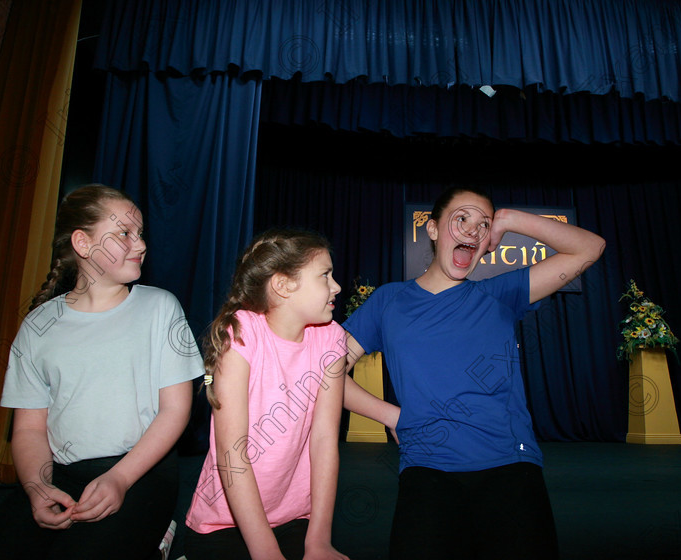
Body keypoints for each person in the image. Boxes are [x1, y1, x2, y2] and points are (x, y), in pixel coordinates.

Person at [341, 186, 605, 559]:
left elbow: (589, 248)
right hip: (426, 470)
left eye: (483, 225)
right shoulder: (389, 300)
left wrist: (509, 220)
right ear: (432, 230)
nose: (472, 230)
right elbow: (326, 372)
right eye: (461, 218)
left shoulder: (501, 293)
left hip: (510, 470)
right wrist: (392, 415)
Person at [0, 185, 203, 559]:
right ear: (83, 243)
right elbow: (30, 429)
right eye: (125, 234)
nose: (141, 244)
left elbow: (175, 411)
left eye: (141, 233)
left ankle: (159, 535)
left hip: (140, 469)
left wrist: (120, 478)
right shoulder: (38, 326)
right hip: (61, 472)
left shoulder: (160, 308)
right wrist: (37, 487)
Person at [185, 229, 365, 560]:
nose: (336, 286)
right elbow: (231, 452)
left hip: (293, 516)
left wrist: (319, 540)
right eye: (325, 275)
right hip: (224, 522)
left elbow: (324, 440)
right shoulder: (240, 333)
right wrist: (265, 551)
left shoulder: (332, 339)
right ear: (283, 285)